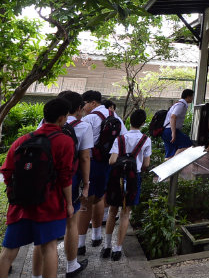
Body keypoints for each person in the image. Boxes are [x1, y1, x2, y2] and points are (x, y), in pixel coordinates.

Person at [0, 97, 76, 278]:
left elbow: (6, 170)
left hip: (20, 205)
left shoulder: (23, 140)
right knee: (49, 248)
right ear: (62, 118)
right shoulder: (65, 142)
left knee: (8, 253)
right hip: (50, 204)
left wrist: (16, 191)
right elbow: (65, 177)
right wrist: (69, 203)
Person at [32, 91, 93, 277]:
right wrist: (86, 184)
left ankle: (37, 274)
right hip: (69, 179)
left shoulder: (44, 123)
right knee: (71, 222)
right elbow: (84, 157)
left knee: (43, 230)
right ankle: (71, 265)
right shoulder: (83, 127)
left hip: (43, 179)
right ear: (77, 108)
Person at [77, 90, 126, 254]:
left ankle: (80, 244)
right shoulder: (116, 116)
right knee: (99, 198)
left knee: (85, 203)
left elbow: (82, 146)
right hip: (108, 165)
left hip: (91, 164)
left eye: (84, 104)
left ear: (92, 103)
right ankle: (97, 236)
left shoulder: (89, 119)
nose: (82, 108)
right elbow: (123, 138)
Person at [101, 109, 151, 261]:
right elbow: (146, 164)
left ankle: (107, 246)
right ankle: (117, 249)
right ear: (143, 123)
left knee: (112, 212)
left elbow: (111, 161)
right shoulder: (145, 140)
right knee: (125, 213)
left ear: (129, 121)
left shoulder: (120, 138)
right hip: (133, 178)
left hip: (117, 178)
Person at [161, 89, 194, 158]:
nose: (192, 98)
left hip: (166, 131)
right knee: (188, 144)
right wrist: (173, 133)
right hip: (170, 130)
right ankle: (174, 163)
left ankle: (168, 167)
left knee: (170, 154)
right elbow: (173, 117)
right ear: (188, 97)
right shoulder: (181, 105)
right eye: (192, 97)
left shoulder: (178, 104)